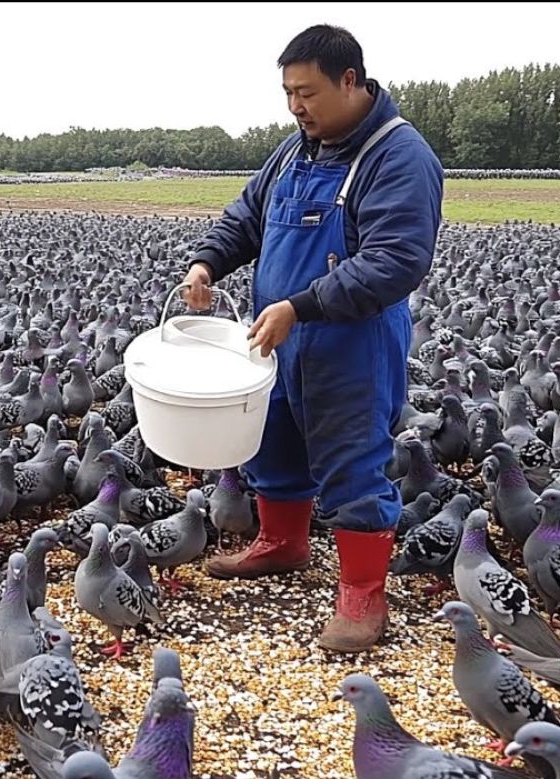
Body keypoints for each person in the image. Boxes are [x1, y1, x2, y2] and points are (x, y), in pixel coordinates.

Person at [183, 24, 443, 653]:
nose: (296, 107)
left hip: (350, 341)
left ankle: (363, 597)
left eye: (307, 93)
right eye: (288, 94)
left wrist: (300, 307)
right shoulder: (295, 151)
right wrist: (208, 263)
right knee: (272, 442)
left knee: (352, 458)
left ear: (350, 81)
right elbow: (247, 217)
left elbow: (395, 261)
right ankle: (282, 543)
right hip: (277, 335)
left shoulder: (398, 156)